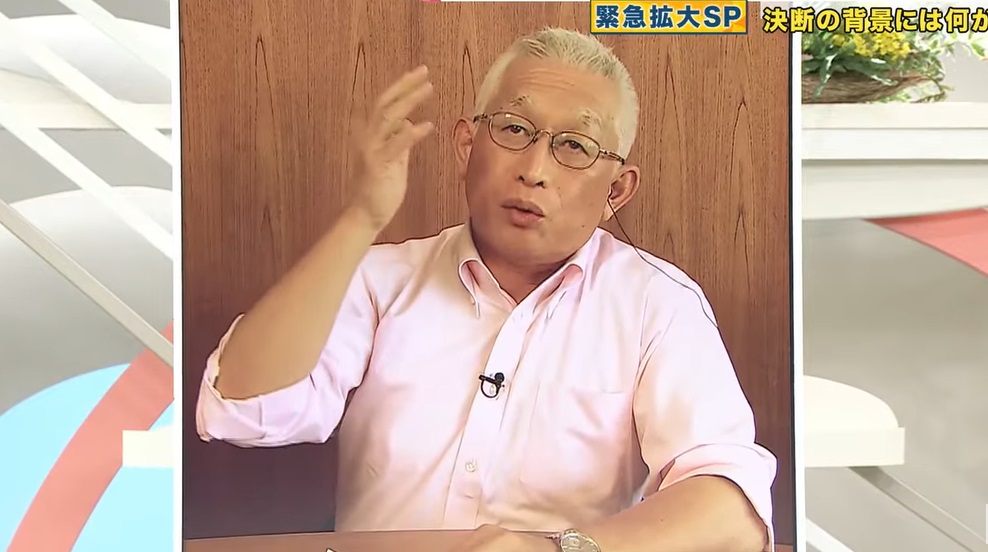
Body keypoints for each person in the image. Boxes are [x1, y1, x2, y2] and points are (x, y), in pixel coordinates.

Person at [196, 27, 777, 552]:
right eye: (514, 130)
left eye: (575, 146)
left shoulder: (656, 304)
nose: (534, 170)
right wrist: (360, 218)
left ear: (616, 191)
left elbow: (733, 513)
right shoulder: (383, 280)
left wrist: (559, 551)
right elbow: (237, 408)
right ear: (466, 145)